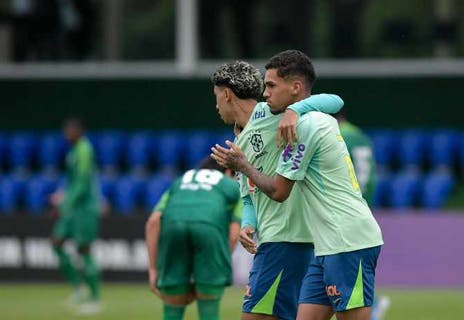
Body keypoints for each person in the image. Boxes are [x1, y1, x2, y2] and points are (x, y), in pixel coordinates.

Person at [211, 50, 383, 320]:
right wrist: (249, 220)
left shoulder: (303, 125)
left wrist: (294, 110)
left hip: (345, 238)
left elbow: (280, 191)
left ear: (295, 87)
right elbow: (249, 193)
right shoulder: (259, 132)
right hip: (324, 244)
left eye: (270, 86)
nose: (265, 94)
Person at [146, 156, 242, 320]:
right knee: (209, 308)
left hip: (173, 227)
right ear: (228, 171)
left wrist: (154, 269)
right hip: (209, 229)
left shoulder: (181, 180)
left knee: (172, 308)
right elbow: (234, 234)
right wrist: (215, 270)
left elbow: (153, 222)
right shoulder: (232, 185)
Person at [335, 109, 391, 320]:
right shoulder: (360, 135)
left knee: (341, 259)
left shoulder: (339, 136)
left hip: (347, 204)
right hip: (365, 201)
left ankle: (372, 303)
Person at [50, 117, 101, 315]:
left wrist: (66, 203)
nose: (66, 135)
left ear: (79, 131)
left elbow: (82, 181)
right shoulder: (73, 151)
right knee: (57, 242)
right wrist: (62, 195)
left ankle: (95, 300)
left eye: (70, 131)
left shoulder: (84, 149)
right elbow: (73, 181)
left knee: (84, 249)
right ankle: (79, 288)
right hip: (73, 208)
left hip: (84, 208)